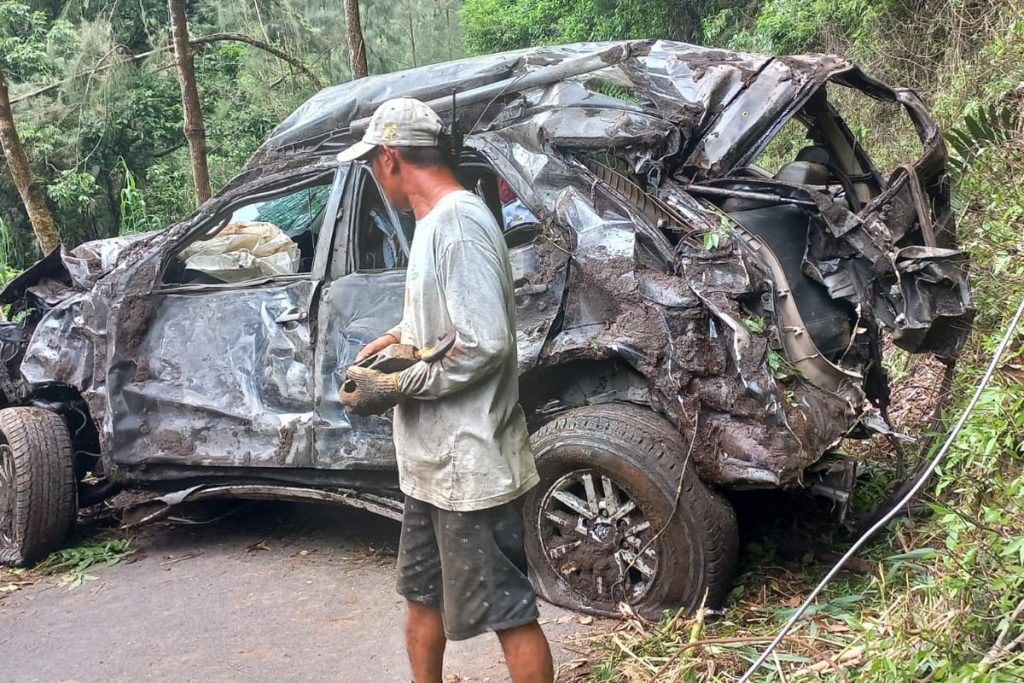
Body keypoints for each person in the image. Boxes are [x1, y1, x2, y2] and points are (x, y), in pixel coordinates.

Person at [337, 98, 554, 683]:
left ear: (390, 157)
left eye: (372, 163)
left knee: (508, 613)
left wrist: (397, 383)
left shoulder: (457, 224)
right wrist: (396, 338)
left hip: (470, 464)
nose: (375, 174)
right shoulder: (434, 222)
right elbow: (447, 326)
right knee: (419, 597)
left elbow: (484, 344)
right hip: (432, 467)